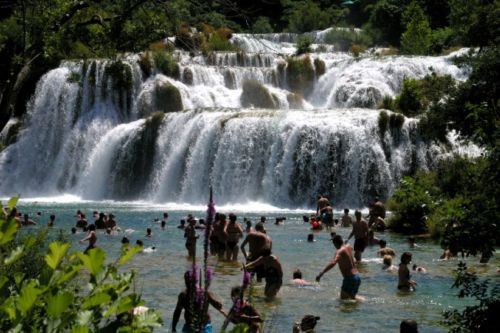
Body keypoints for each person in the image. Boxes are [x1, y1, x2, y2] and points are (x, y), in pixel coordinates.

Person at [316, 234, 361, 300]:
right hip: (357, 277)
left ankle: (366, 303)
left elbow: (333, 262)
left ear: (336, 243)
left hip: (349, 278)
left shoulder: (339, 251)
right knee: (352, 298)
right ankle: (366, 302)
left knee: (343, 301)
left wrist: (322, 273)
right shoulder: (349, 247)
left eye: (333, 244)